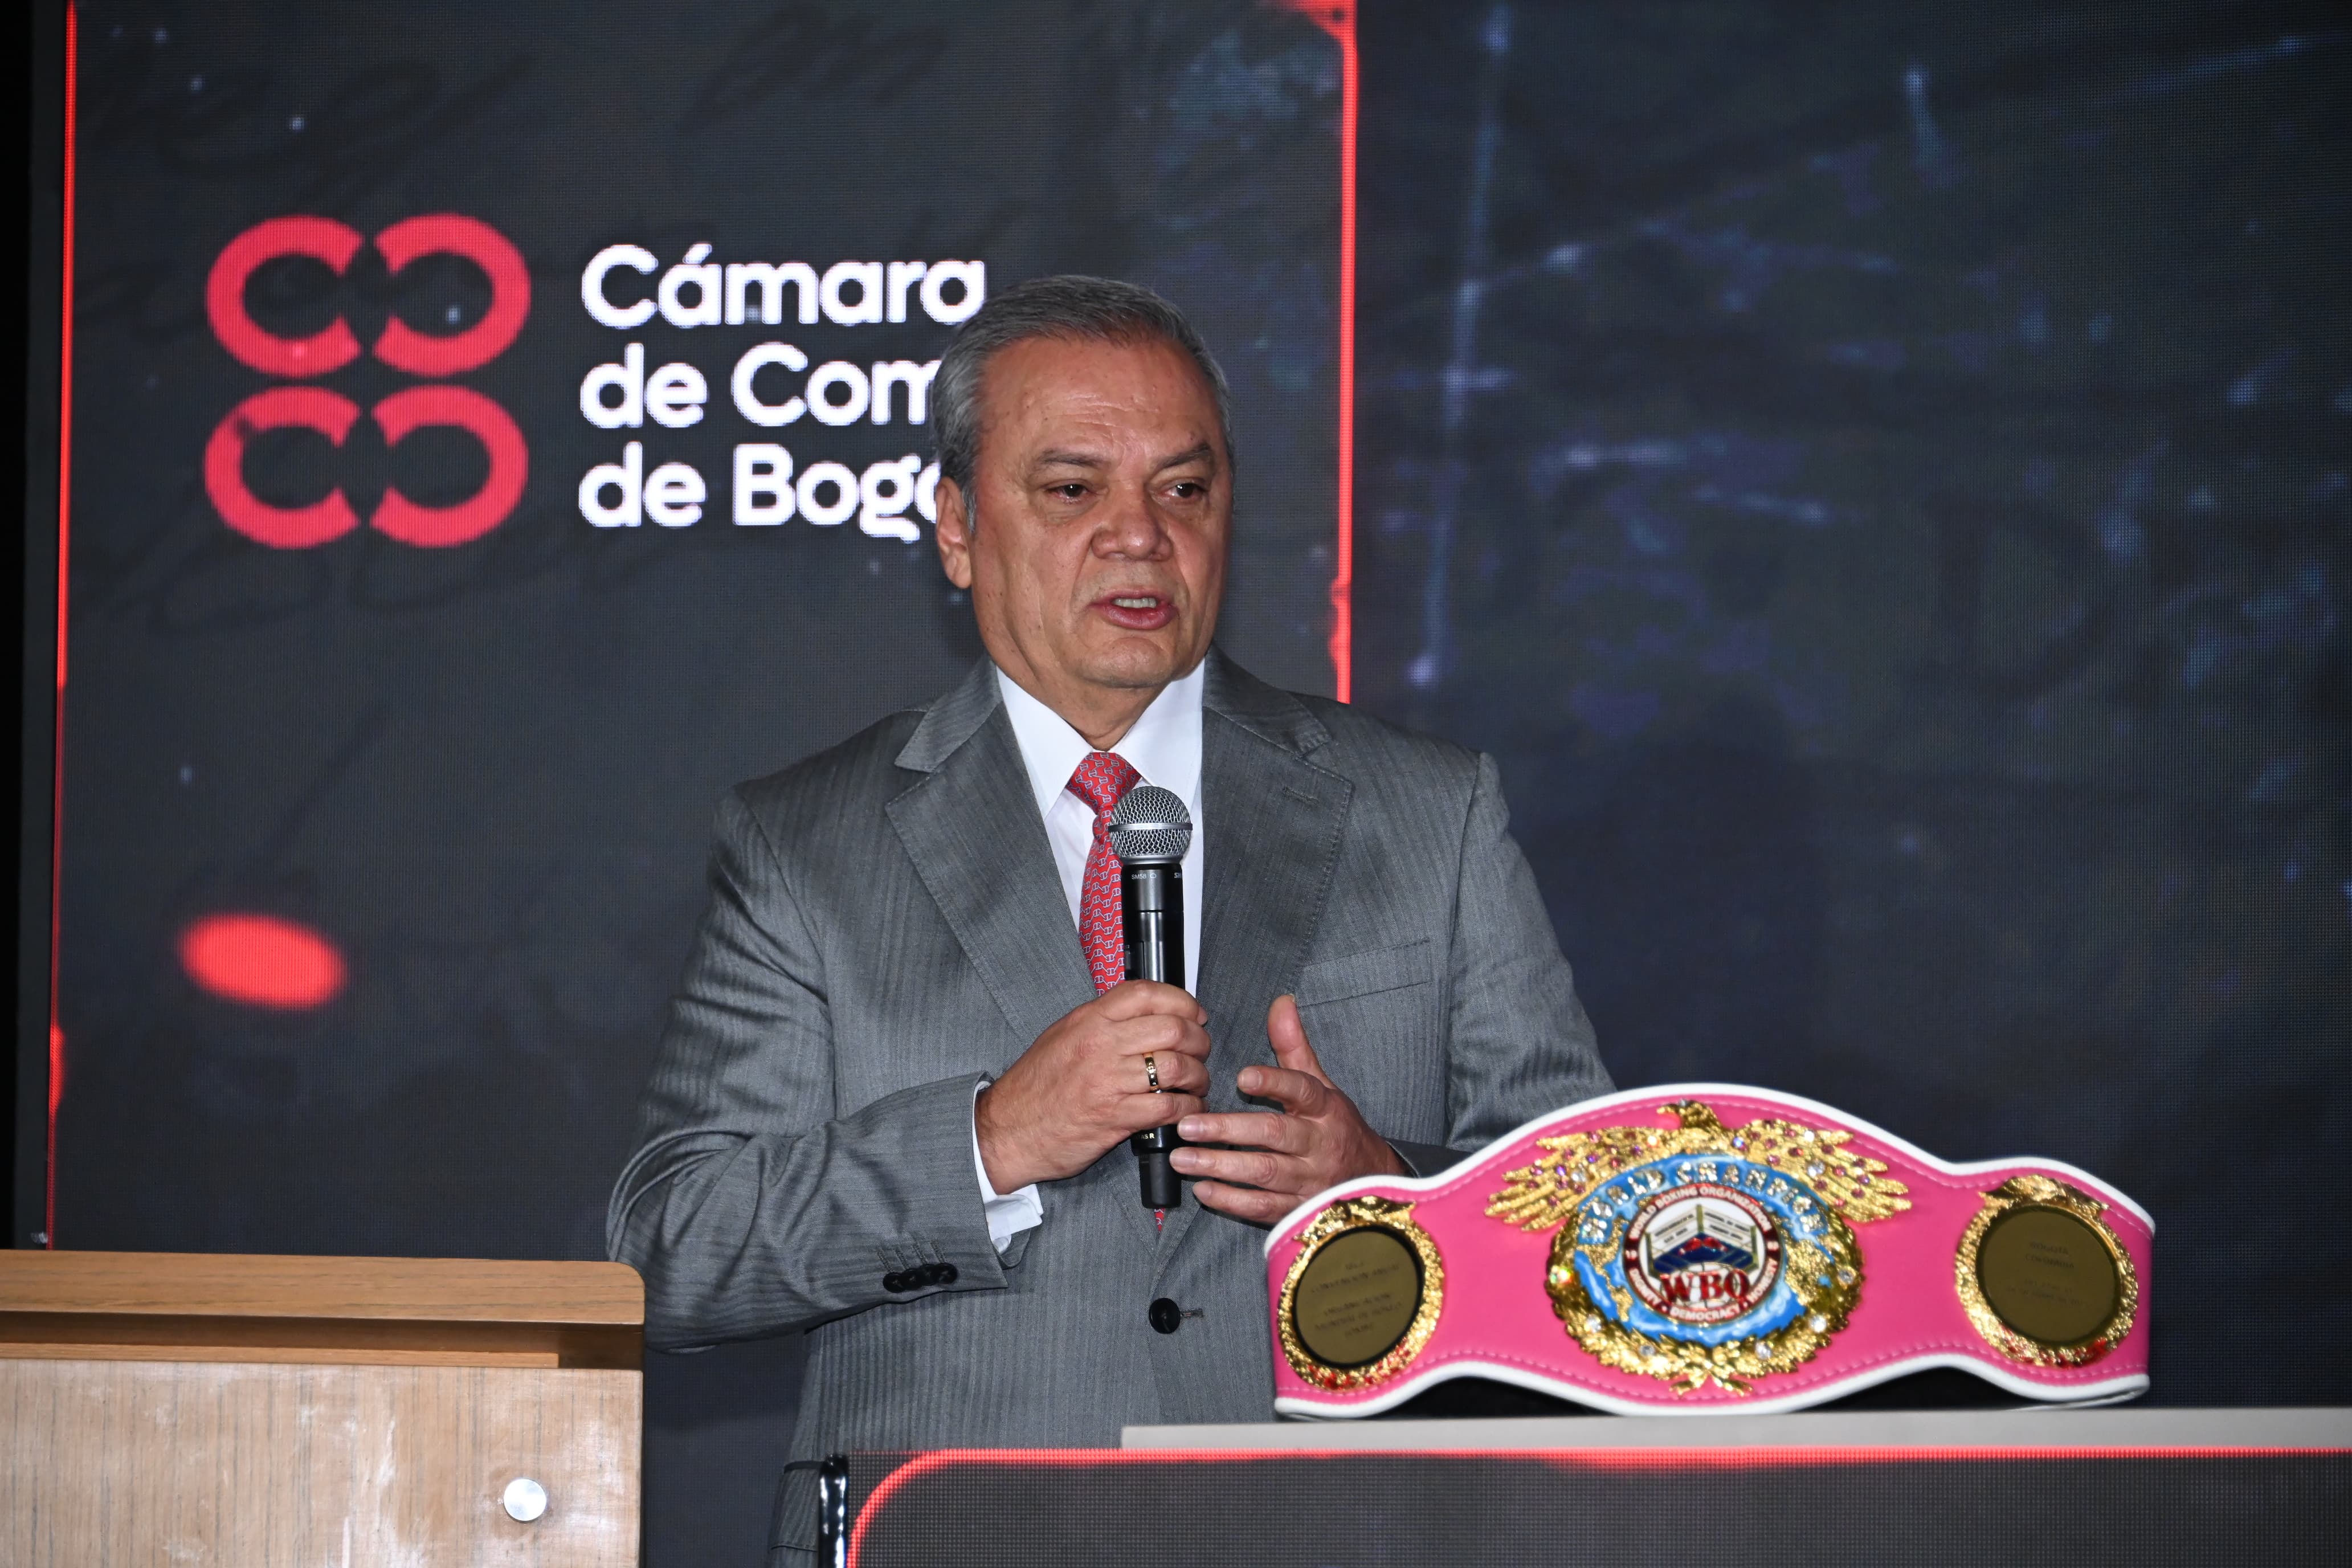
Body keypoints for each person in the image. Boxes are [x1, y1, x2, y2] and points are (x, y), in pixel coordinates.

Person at [607, 275, 1611, 1558]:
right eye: (1073, 488)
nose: (1141, 535)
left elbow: (1593, 1234)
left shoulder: (1428, 810)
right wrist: (988, 1140)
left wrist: (1385, 1196)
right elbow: (671, 1247)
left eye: (1183, 489)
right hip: (952, 1532)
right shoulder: (808, 840)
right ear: (959, 528)